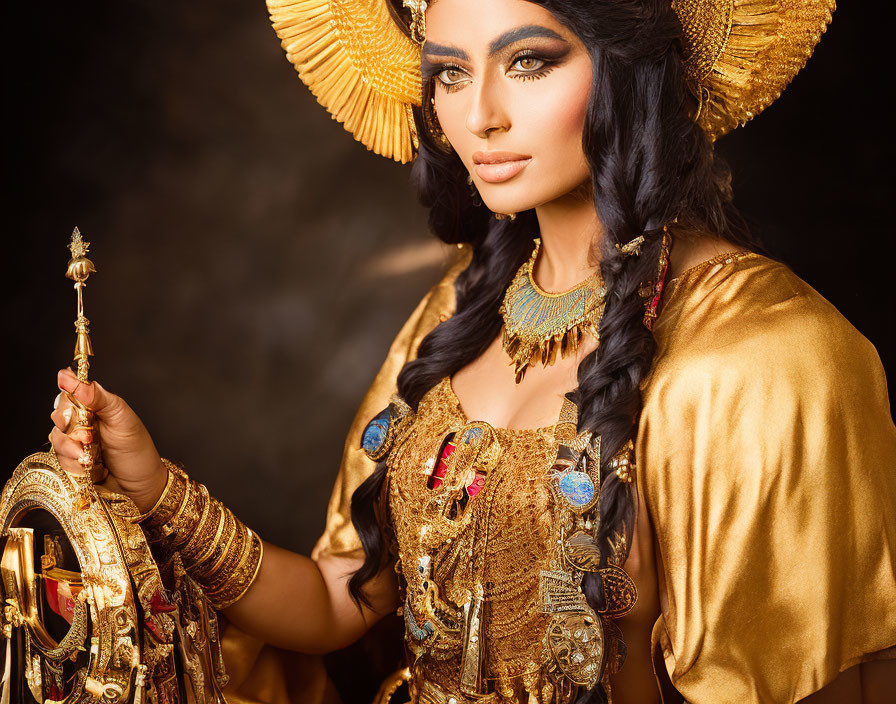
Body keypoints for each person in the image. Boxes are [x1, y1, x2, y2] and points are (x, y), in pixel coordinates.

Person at [48, 0, 896, 702]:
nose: (479, 113)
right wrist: (154, 488)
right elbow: (340, 602)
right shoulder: (456, 312)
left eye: (528, 61)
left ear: (632, 69)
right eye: (450, 72)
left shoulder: (766, 361)